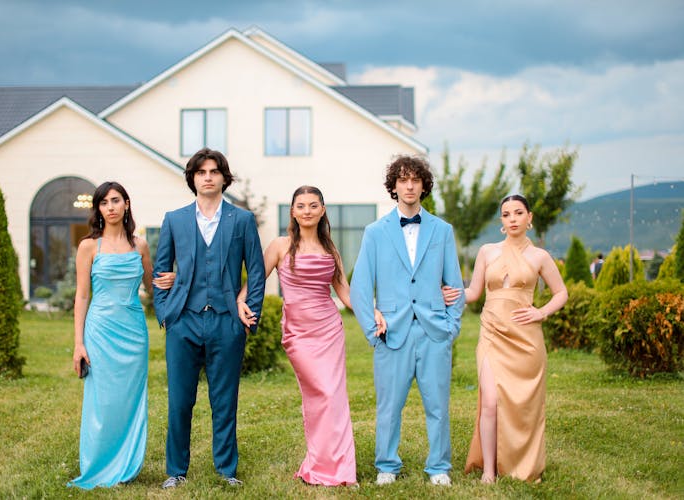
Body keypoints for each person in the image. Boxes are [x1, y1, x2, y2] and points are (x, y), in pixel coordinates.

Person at [236, 186, 386, 486]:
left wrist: (372, 312)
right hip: (298, 332)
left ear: (322, 210)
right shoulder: (280, 245)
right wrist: (241, 300)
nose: (307, 210)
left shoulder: (331, 250)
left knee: (335, 397)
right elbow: (256, 280)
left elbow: (344, 290)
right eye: (301, 205)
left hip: (329, 328)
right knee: (320, 395)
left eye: (313, 205)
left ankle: (339, 469)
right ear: (293, 211)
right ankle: (321, 464)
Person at [153, 147, 266, 489]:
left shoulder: (242, 220)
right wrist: (166, 314)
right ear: (193, 178)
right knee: (180, 400)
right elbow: (161, 271)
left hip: (226, 322)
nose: (207, 177)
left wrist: (248, 315)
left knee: (224, 399)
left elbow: (257, 273)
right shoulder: (174, 219)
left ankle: (226, 470)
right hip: (183, 321)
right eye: (201, 172)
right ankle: (176, 470)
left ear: (223, 178)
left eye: (214, 171)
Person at [350, 155, 465, 487]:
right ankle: (387, 464)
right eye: (403, 180)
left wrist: (451, 328)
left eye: (416, 179)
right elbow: (360, 285)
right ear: (394, 186)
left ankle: (439, 466)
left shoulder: (443, 231)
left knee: (438, 406)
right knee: (389, 406)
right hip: (391, 333)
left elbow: (454, 284)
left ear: (424, 185)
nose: (410, 185)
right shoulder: (375, 232)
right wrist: (373, 331)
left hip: (433, 333)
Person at [443, 194, 567, 483]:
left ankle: (521, 462)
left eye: (518, 213)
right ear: (501, 221)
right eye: (506, 214)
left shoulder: (540, 256)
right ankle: (489, 470)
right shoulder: (487, 251)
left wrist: (541, 312)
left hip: (526, 339)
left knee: (523, 405)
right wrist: (451, 295)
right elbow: (474, 293)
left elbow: (561, 292)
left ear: (529, 218)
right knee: (489, 401)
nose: (512, 218)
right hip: (492, 334)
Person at [69, 181, 153, 489]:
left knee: (130, 400)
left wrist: (175, 281)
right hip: (100, 332)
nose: (111, 207)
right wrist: (79, 344)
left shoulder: (140, 245)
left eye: (116, 200)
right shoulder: (89, 246)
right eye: (104, 203)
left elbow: (153, 287)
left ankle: (127, 465)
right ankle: (99, 465)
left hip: (133, 332)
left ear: (126, 204)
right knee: (102, 402)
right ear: (99, 209)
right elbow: (81, 296)